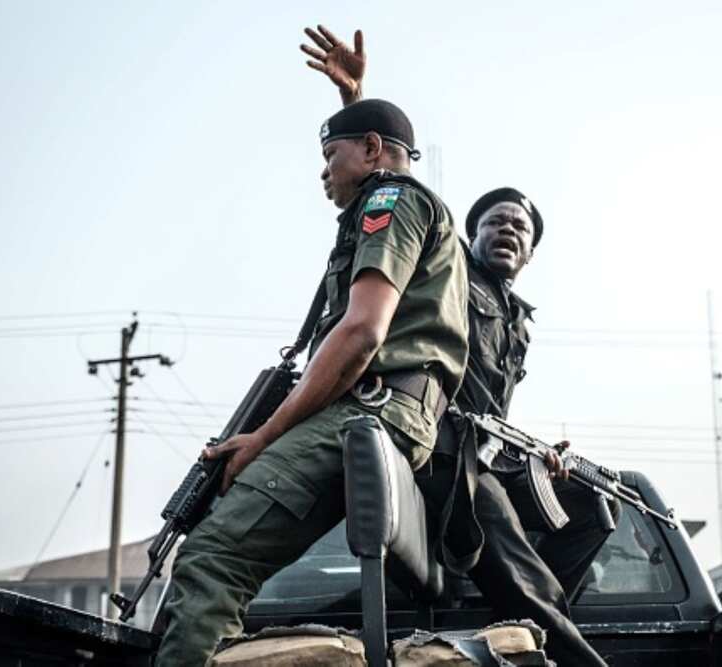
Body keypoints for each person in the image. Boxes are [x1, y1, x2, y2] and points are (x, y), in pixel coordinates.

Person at [301, 25, 618, 667]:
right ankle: (544, 623)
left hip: (492, 449)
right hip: (444, 446)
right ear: (469, 234)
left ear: (531, 251)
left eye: (520, 228)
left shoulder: (518, 319)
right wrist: (355, 101)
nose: (507, 231)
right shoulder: (450, 274)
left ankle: (511, 610)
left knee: (597, 508)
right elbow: (379, 179)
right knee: (521, 570)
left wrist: (538, 455)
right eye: (495, 222)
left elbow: (494, 402)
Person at [156, 97, 469, 665]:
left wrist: (263, 437)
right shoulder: (408, 206)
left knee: (212, 557)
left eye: (330, 155)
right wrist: (354, 100)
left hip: (369, 409)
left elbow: (360, 334)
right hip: (396, 412)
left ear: (372, 150)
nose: (323, 172)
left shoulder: (390, 199)